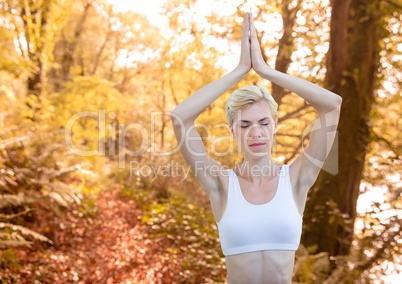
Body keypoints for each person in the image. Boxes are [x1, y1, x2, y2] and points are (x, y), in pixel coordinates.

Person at [170, 12, 342, 284]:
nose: (256, 133)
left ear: (274, 126)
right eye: (245, 125)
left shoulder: (297, 178)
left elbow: (332, 104)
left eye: (263, 122)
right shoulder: (221, 183)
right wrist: (240, 70)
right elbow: (180, 118)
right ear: (232, 131)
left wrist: (266, 70)